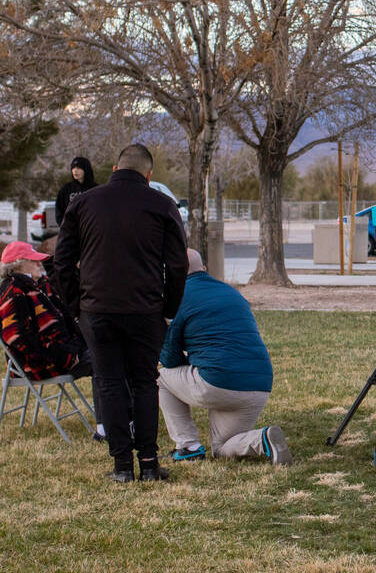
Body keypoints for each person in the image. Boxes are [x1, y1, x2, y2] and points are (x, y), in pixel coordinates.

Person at [54, 143, 188, 483]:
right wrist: (169, 310)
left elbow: (62, 261)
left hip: (97, 310)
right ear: (148, 174)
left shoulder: (84, 203)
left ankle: (121, 467)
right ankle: (148, 462)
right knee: (145, 382)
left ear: (114, 169)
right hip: (146, 310)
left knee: (109, 382)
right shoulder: (162, 205)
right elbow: (177, 265)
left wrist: (76, 306)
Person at [156, 249, 289, 465]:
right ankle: (262, 438)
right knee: (222, 448)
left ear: (171, 273)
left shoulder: (177, 297)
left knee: (161, 377)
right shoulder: (233, 292)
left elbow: (169, 360)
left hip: (218, 383)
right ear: (204, 270)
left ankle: (188, 446)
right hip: (259, 386)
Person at [0, 240, 91, 382]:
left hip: (68, 355)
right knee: (109, 363)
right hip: (39, 366)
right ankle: (116, 405)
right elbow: (14, 335)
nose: (39, 264)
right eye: (33, 260)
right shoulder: (14, 291)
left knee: (112, 356)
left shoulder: (38, 286)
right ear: (19, 264)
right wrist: (65, 356)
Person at [54, 156, 98, 226]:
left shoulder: (96, 189)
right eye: (73, 168)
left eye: (78, 168)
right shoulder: (66, 189)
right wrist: (65, 227)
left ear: (86, 169)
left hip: (91, 229)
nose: (75, 170)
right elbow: (59, 211)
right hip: (71, 230)